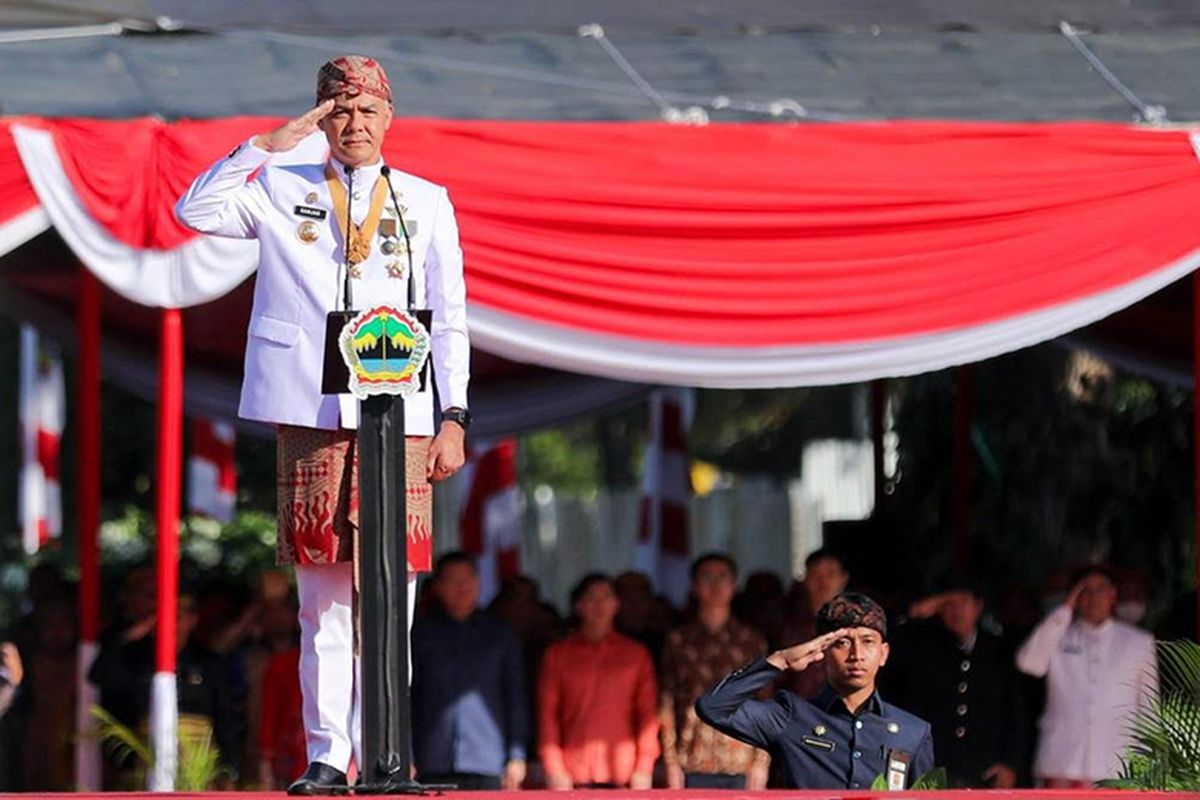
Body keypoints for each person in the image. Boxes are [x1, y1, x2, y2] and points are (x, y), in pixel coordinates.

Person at [176, 54, 471, 795]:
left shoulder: (426, 200)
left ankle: (386, 753)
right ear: (320, 118)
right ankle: (327, 756)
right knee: (322, 600)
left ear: (389, 119)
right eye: (338, 110)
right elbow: (195, 212)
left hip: (398, 413)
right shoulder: (280, 186)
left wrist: (454, 415)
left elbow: (454, 316)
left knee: (391, 596)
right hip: (310, 409)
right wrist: (271, 144)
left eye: (368, 110)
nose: (354, 124)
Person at [696, 592, 935, 790]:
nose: (856, 655)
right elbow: (713, 707)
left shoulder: (913, 732)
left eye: (868, 641)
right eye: (842, 643)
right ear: (822, 651)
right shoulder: (792, 717)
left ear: (884, 654)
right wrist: (779, 661)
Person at [1016, 565, 1157, 787]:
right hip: (1061, 761)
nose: (1094, 597)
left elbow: (1148, 708)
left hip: (1116, 763)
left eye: (1100, 589)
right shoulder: (1058, 636)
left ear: (1113, 595)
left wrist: (1149, 765)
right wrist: (1063, 612)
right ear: (1076, 596)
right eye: (1085, 590)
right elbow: (1029, 663)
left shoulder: (1138, 642)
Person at [886, 582, 1026, 787]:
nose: (956, 610)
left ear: (978, 606)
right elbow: (887, 640)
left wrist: (1010, 763)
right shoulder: (920, 646)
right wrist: (917, 611)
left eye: (963, 602)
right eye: (947, 604)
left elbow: (1016, 713)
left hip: (984, 769)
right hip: (932, 766)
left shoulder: (999, 651)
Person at [411, 552, 528, 790]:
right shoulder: (421, 634)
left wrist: (517, 754)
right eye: (453, 581)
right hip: (433, 759)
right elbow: (408, 698)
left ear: (478, 583)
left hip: (487, 759)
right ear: (439, 587)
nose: (462, 588)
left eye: (468, 580)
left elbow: (515, 697)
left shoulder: (500, 634)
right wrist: (406, 754)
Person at [538, 573, 659, 790]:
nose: (599, 605)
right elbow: (548, 715)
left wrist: (644, 766)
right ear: (578, 605)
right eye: (592, 598)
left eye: (606, 597)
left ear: (616, 604)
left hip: (625, 772)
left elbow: (647, 714)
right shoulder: (557, 655)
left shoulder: (636, 655)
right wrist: (553, 766)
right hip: (572, 772)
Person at [660, 553, 770, 789]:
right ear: (694, 586)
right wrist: (670, 763)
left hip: (741, 760)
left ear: (734, 586)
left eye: (723, 577)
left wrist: (762, 761)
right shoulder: (678, 641)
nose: (716, 585)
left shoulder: (751, 641)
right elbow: (666, 704)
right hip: (691, 759)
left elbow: (766, 702)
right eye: (707, 577)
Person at [781, 549, 850, 699]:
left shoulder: (856, 627)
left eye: (830, 574)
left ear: (843, 579)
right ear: (805, 580)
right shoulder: (789, 629)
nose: (823, 582)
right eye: (816, 575)